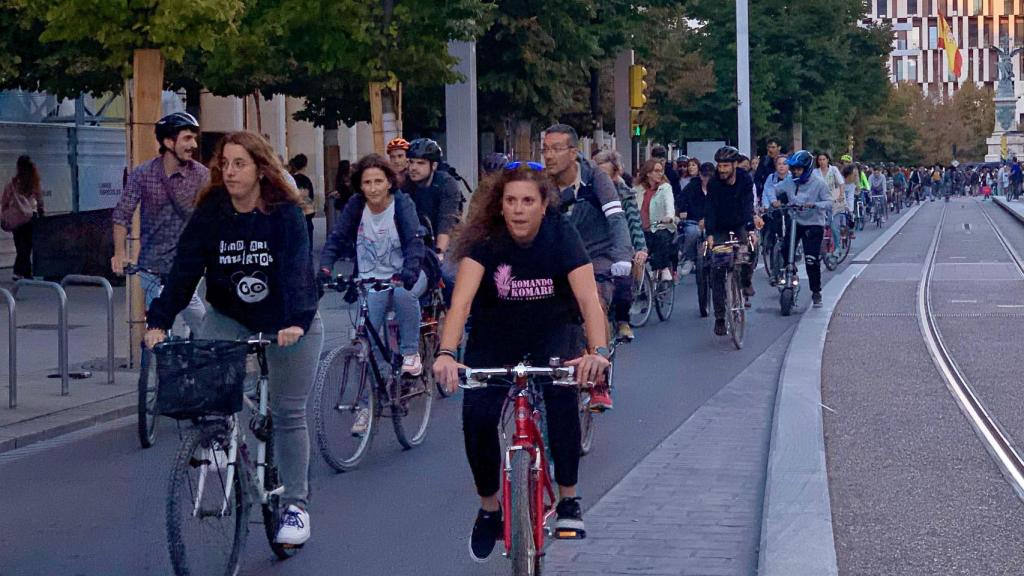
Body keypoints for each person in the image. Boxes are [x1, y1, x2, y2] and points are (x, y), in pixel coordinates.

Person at [144, 130, 323, 547]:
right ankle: (219, 437)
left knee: (288, 411)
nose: (229, 172)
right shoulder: (211, 212)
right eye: (224, 164)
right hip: (231, 315)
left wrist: (296, 321)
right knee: (211, 386)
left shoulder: (284, 214)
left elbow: (298, 272)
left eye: (239, 163)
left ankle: (296, 506)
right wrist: (159, 320)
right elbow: (185, 269)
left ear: (261, 169)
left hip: (287, 320)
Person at [432, 164, 611, 563]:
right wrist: (445, 353)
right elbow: (460, 303)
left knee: (562, 395)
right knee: (477, 416)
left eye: (528, 200)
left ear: (544, 205)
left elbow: (587, 300)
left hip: (552, 328)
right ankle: (489, 508)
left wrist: (597, 352)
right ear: (500, 205)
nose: (518, 209)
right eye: (510, 200)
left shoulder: (562, 234)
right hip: (495, 334)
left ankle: (568, 499)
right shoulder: (485, 240)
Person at [542, 124, 632, 411]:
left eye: (556, 149)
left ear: (573, 152)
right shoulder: (542, 183)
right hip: (559, 260)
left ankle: (599, 380)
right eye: (545, 149)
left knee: (594, 302)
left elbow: (617, 218)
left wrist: (621, 256)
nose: (549, 156)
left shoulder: (597, 179)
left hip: (596, 256)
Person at [319, 153, 427, 388]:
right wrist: (325, 268)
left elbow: (414, 242)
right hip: (372, 280)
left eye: (378, 181)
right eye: (367, 182)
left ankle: (410, 354)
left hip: (408, 274)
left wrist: (408, 271)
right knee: (369, 339)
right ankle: (372, 401)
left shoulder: (402, 203)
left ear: (389, 182)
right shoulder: (356, 206)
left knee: (402, 294)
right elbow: (336, 239)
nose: (373, 188)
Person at [111, 111, 208, 335]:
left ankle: (198, 363)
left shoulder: (201, 175)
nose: (193, 144)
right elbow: (122, 213)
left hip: (186, 267)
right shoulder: (143, 174)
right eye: (187, 138)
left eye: (194, 138)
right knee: (158, 328)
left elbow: (214, 215)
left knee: (202, 328)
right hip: (152, 266)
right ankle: (160, 364)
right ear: (168, 142)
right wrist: (119, 252)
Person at [594, 149, 647, 341]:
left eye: (605, 175)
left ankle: (623, 320)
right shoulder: (588, 193)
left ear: (615, 175)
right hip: (592, 248)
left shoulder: (625, 194)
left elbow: (633, 223)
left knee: (623, 280)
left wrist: (640, 248)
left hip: (617, 247)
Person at [771, 150, 833, 309]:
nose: (796, 172)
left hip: (814, 224)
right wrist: (774, 201)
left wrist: (815, 205)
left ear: (807, 169)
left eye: (799, 169)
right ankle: (790, 271)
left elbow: (828, 202)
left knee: (811, 260)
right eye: (794, 169)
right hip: (796, 221)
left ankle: (816, 291)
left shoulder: (818, 183)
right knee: (785, 248)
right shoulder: (789, 181)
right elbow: (774, 189)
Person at [705, 146, 756, 335]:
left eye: (726, 165)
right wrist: (709, 233)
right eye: (720, 166)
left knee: (749, 249)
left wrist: (750, 228)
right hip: (719, 227)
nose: (722, 170)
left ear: (735, 165)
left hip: (739, 222)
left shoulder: (745, 179)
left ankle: (746, 280)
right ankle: (719, 318)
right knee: (717, 270)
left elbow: (747, 203)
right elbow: (709, 207)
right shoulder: (714, 183)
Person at [403, 138, 462, 255]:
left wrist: (439, 253)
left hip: (447, 242)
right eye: (411, 162)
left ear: (433, 165)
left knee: (447, 271)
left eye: (420, 163)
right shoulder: (405, 184)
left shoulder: (446, 183)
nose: (413, 168)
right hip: (415, 242)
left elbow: (446, 220)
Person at [634, 159, 677, 283]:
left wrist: (669, 217)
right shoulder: (638, 189)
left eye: (661, 171)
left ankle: (663, 268)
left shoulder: (665, 188)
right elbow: (631, 206)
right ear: (648, 173)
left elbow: (669, 205)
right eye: (656, 171)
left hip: (660, 226)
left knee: (660, 237)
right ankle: (638, 283)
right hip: (642, 229)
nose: (660, 174)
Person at [2, 155, 45, 279]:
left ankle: (22, 271)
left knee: (20, 245)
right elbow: (39, 199)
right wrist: (41, 212)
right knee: (27, 245)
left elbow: (5, 200)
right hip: (31, 217)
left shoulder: (13, 184)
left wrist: (5, 213)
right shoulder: (34, 182)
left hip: (17, 219)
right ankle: (23, 271)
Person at [678, 162, 714, 307]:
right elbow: (681, 200)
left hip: (712, 222)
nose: (707, 179)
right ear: (700, 175)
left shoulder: (718, 187)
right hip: (694, 220)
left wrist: (709, 219)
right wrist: (682, 210)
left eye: (709, 176)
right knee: (692, 233)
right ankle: (690, 258)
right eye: (704, 176)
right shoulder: (693, 186)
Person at [815, 153, 845, 249]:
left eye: (824, 159)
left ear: (828, 160)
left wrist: (841, 195)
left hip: (833, 200)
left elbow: (841, 183)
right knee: (818, 225)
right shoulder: (815, 172)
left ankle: (837, 248)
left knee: (834, 227)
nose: (822, 162)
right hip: (820, 201)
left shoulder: (833, 170)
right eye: (820, 159)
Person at [289, 154, 317, 247]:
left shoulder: (291, 179)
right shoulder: (306, 180)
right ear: (305, 165)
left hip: (293, 216)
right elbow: (310, 199)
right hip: (306, 216)